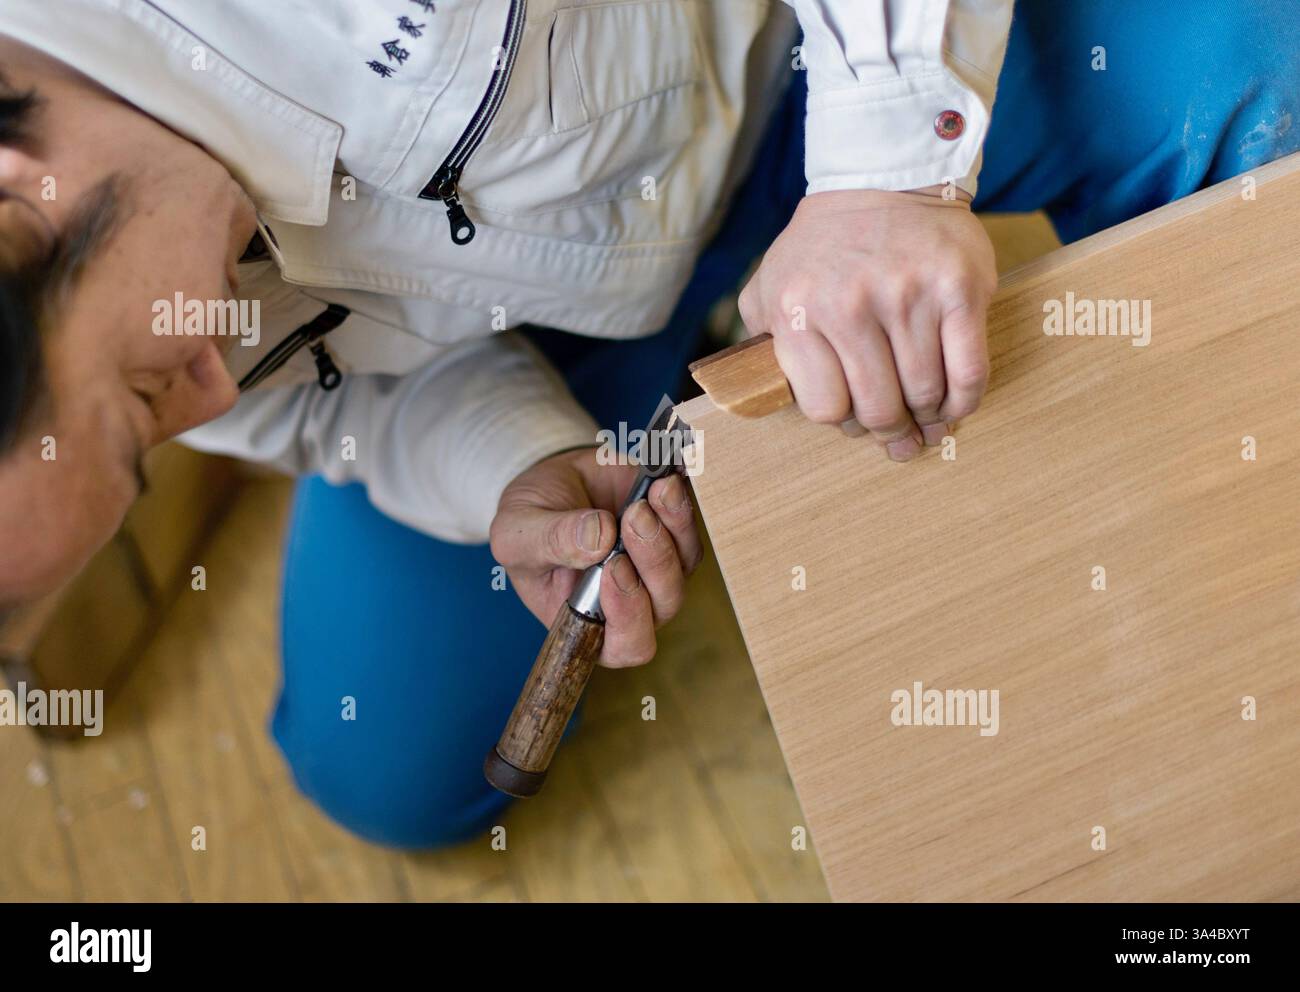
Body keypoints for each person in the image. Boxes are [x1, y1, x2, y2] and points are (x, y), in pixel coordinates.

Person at [1, 0, 1295, 846]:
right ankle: (721, 343)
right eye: (152, 444)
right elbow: (341, 413)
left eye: (136, 400)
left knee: (1254, 89)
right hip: (535, 305)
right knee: (385, 769)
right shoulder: (115, 320)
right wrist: (516, 462)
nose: (214, 399)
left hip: (803, 54)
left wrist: (888, 170)